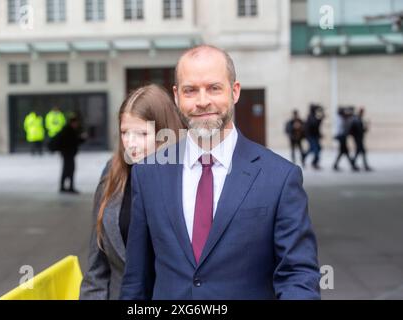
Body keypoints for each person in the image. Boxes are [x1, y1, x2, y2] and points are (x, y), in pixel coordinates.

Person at [120, 45, 320, 300]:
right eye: (190, 90)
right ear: (177, 96)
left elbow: (298, 275)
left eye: (214, 88)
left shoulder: (280, 178)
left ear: (234, 91)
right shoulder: (147, 175)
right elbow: (136, 280)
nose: (203, 101)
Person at [79, 84, 185, 299]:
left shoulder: (188, 178)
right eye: (125, 132)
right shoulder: (113, 172)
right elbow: (96, 267)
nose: (131, 143)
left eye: (142, 133)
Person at [54, 115, 85, 193]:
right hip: (68, 153)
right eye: (76, 123)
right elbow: (73, 142)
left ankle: (66, 186)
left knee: (69, 170)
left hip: (68, 153)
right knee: (68, 170)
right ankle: (67, 187)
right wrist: (81, 138)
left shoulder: (69, 130)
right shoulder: (68, 131)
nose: (77, 124)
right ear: (73, 123)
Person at [333, 107, 358, 172]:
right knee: (345, 151)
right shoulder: (340, 119)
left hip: (342, 137)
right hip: (342, 137)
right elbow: (345, 125)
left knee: (343, 152)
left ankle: (336, 165)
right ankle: (352, 165)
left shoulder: (341, 118)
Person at [303, 104, 324, 170]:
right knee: (316, 150)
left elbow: (316, 126)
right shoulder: (311, 117)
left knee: (314, 149)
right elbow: (314, 125)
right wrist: (320, 119)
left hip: (314, 136)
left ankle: (304, 156)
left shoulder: (313, 116)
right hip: (311, 136)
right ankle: (314, 163)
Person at [350, 107, 372, 171]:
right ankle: (364, 165)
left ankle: (354, 163)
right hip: (358, 138)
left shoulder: (358, 119)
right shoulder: (357, 119)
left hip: (359, 138)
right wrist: (365, 128)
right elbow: (360, 130)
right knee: (362, 152)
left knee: (359, 152)